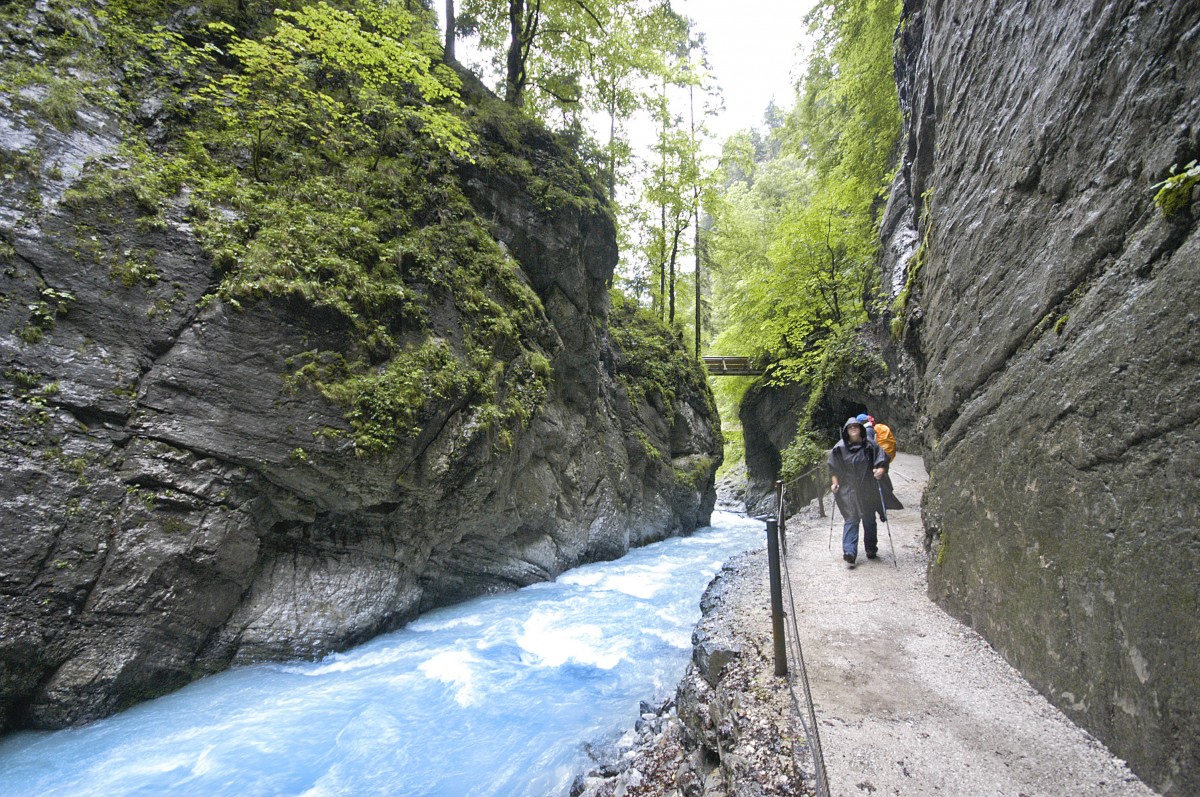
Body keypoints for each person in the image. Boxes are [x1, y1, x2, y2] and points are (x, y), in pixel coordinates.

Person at [829, 417, 888, 566]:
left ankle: (871, 548)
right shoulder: (839, 448)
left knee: (868, 519)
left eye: (856, 426)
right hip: (849, 488)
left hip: (867, 486)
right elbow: (834, 469)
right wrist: (835, 484)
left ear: (861, 429)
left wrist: (880, 471)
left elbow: (882, 459)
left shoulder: (870, 445)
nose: (854, 428)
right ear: (846, 431)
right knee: (851, 517)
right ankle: (849, 552)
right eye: (851, 427)